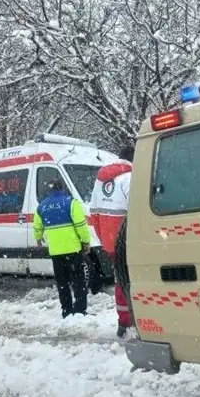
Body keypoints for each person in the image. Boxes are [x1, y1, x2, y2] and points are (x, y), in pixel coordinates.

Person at [89, 143, 134, 338]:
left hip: (111, 242)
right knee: (136, 280)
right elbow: (139, 208)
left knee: (119, 281)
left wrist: (104, 239)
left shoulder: (100, 181)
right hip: (129, 240)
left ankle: (123, 322)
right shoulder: (130, 177)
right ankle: (139, 321)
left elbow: (94, 213)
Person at [33, 179, 92, 318]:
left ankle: (66, 310)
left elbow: (37, 226)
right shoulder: (71, 203)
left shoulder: (41, 206)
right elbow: (81, 225)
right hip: (73, 249)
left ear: (50, 190)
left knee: (62, 282)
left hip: (56, 252)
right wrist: (86, 241)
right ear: (63, 188)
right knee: (78, 281)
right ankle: (79, 310)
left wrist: (38, 238)